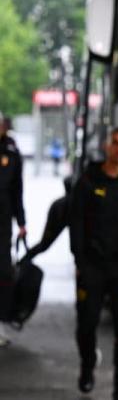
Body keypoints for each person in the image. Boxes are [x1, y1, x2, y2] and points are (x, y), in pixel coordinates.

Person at [69, 127, 118, 399]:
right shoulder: (89, 179)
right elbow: (75, 221)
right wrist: (79, 259)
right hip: (92, 266)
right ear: (106, 146)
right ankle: (88, 365)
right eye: (115, 143)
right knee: (86, 324)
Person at [0, 111, 27, 347]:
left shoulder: (11, 152)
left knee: (3, 270)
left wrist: (21, 222)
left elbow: (17, 189)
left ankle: (1, 321)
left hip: (2, 219)